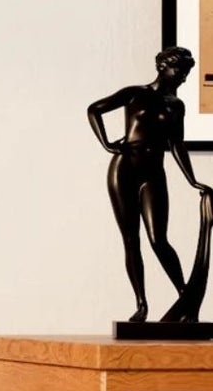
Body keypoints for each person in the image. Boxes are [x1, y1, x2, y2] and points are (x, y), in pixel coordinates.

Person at [88, 46, 211, 323]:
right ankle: (141, 304)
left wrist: (192, 180)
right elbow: (94, 110)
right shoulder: (135, 93)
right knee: (131, 239)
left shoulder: (176, 105)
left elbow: (176, 144)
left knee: (159, 240)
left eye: (187, 72)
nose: (184, 77)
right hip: (124, 169)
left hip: (154, 172)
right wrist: (107, 144)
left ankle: (185, 296)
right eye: (180, 70)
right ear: (162, 67)